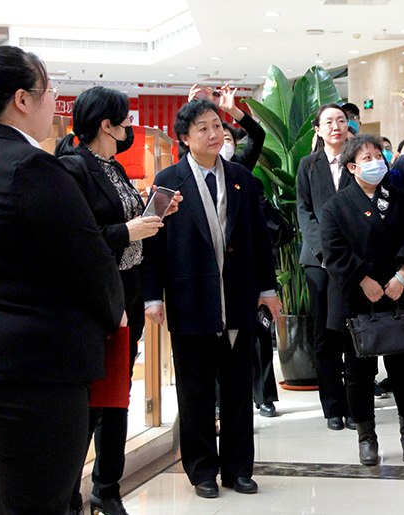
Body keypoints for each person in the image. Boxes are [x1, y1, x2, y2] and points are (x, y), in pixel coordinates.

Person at [0, 44, 125, 514]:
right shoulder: (33, 167)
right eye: (48, 90)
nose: (54, 101)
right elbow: (90, 261)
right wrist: (116, 314)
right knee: (40, 503)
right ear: (22, 99)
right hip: (37, 369)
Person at [143, 99, 281, 499]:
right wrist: (152, 297)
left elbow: (260, 238)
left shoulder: (241, 177)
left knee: (238, 388)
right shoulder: (167, 180)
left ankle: (239, 469)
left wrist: (268, 290)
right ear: (185, 138)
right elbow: (152, 243)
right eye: (202, 128)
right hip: (190, 300)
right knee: (196, 391)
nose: (214, 133)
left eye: (217, 126)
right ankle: (202, 470)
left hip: (237, 298)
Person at [55, 86, 180, 515]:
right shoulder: (73, 168)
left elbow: (124, 220)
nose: (130, 126)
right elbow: (78, 240)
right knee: (93, 402)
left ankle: (107, 488)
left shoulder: (114, 167)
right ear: (106, 125)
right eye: (125, 120)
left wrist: (154, 212)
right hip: (96, 299)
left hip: (127, 290)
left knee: (117, 396)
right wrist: (129, 231)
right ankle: (71, 494)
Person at [320, 133, 404, 465]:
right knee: (358, 372)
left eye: (378, 156)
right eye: (366, 158)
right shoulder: (337, 205)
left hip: (398, 294)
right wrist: (363, 279)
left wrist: (403, 274)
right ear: (352, 167)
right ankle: (366, 438)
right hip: (357, 296)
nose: (375, 162)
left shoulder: (401, 199)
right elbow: (333, 250)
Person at [189, 85, 279, 418]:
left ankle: (263, 396)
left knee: (255, 338)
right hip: (206, 274)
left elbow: (257, 134)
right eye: (206, 130)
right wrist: (194, 109)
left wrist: (233, 110)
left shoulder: (239, 168)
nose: (217, 138)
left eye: (224, 134)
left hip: (243, 270)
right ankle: (216, 403)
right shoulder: (187, 175)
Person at [296, 104, 356, 431]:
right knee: (325, 336)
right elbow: (305, 212)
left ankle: (356, 405)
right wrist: (325, 252)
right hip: (318, 263)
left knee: (354, 334)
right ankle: (333, 407)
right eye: (329, 122)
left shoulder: (360, 161)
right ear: (318, 130)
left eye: (341, 121)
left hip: (355, 260)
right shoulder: (308, 165)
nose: (336, 126)